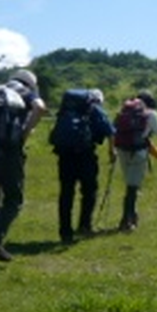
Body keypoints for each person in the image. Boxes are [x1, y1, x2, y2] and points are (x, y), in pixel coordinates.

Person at [0, 68, 47, 262]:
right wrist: (24, 134)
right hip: (9, 150)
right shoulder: (26, 92)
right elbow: (40, 108)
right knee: (13, 200)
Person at [49, 88, 115, 244]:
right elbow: (110, 131)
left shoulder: (66, 110)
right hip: (86, 154)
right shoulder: (95, 110)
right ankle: (85, 225)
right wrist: (112, 151)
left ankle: (65, 232)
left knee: (66, 193)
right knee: (89, 191)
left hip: (65, 155)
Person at [114, 90, 157, 232]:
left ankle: (132, 216)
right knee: (132, 188)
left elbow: (114, 130)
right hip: (139, 153)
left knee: (130, 184)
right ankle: (126, 221)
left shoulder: (123, 112)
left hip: (122, 151)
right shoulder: (151, 114)